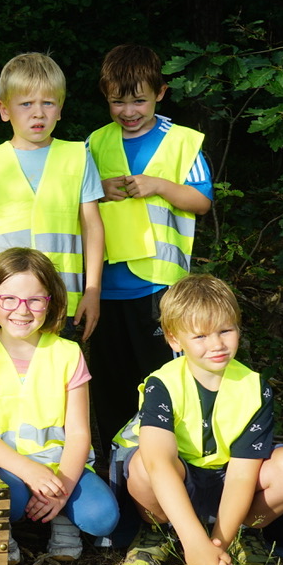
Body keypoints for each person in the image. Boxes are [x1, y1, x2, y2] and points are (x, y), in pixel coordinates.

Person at [113, 274, 283, 565]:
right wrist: (194, 543)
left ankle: (247, 533)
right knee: (140, 467)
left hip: (228, 481)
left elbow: (243, 474)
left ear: (238, 327)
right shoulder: (162, 383)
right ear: (174, 339)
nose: (217, 344)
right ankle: (159, 529)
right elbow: (159, 464)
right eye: (201, 336)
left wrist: (217, 546)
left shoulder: (254, 387)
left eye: (225, 330)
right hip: (180, 480)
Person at [86, 44, 213, 459]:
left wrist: (158, 185)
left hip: (160, 290)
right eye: (117, 101)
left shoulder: (182, 142)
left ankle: (168, 472)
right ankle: (117, 475)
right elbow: (76, 204)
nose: (128, 110)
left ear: (161, 92)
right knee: (110, 386)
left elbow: (201, 202)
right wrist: (97, 191)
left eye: (138, 99)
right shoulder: (94, 143)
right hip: (104, 288)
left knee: (162, 383)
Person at [0, 248, 119, 564]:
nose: (22, 310)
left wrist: (61, 487)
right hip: (7, 468)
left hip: (62, 465)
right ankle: (4, 530)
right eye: (10, 299)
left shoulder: (68, 353)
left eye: (35, 300)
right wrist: (30, 472)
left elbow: (77, 433)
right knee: (7, 497)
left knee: (102, 517)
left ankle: (61, 518)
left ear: (50, 302)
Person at [0, 52, 104, 341]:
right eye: (26, 103)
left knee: (60, 378)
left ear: (60, 108)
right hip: (5, 303)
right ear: (4, 109)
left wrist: (93, 291)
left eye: (48, 103)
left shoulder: (78, 156)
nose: (38, 113)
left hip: (62, 301)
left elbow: (92, 227)